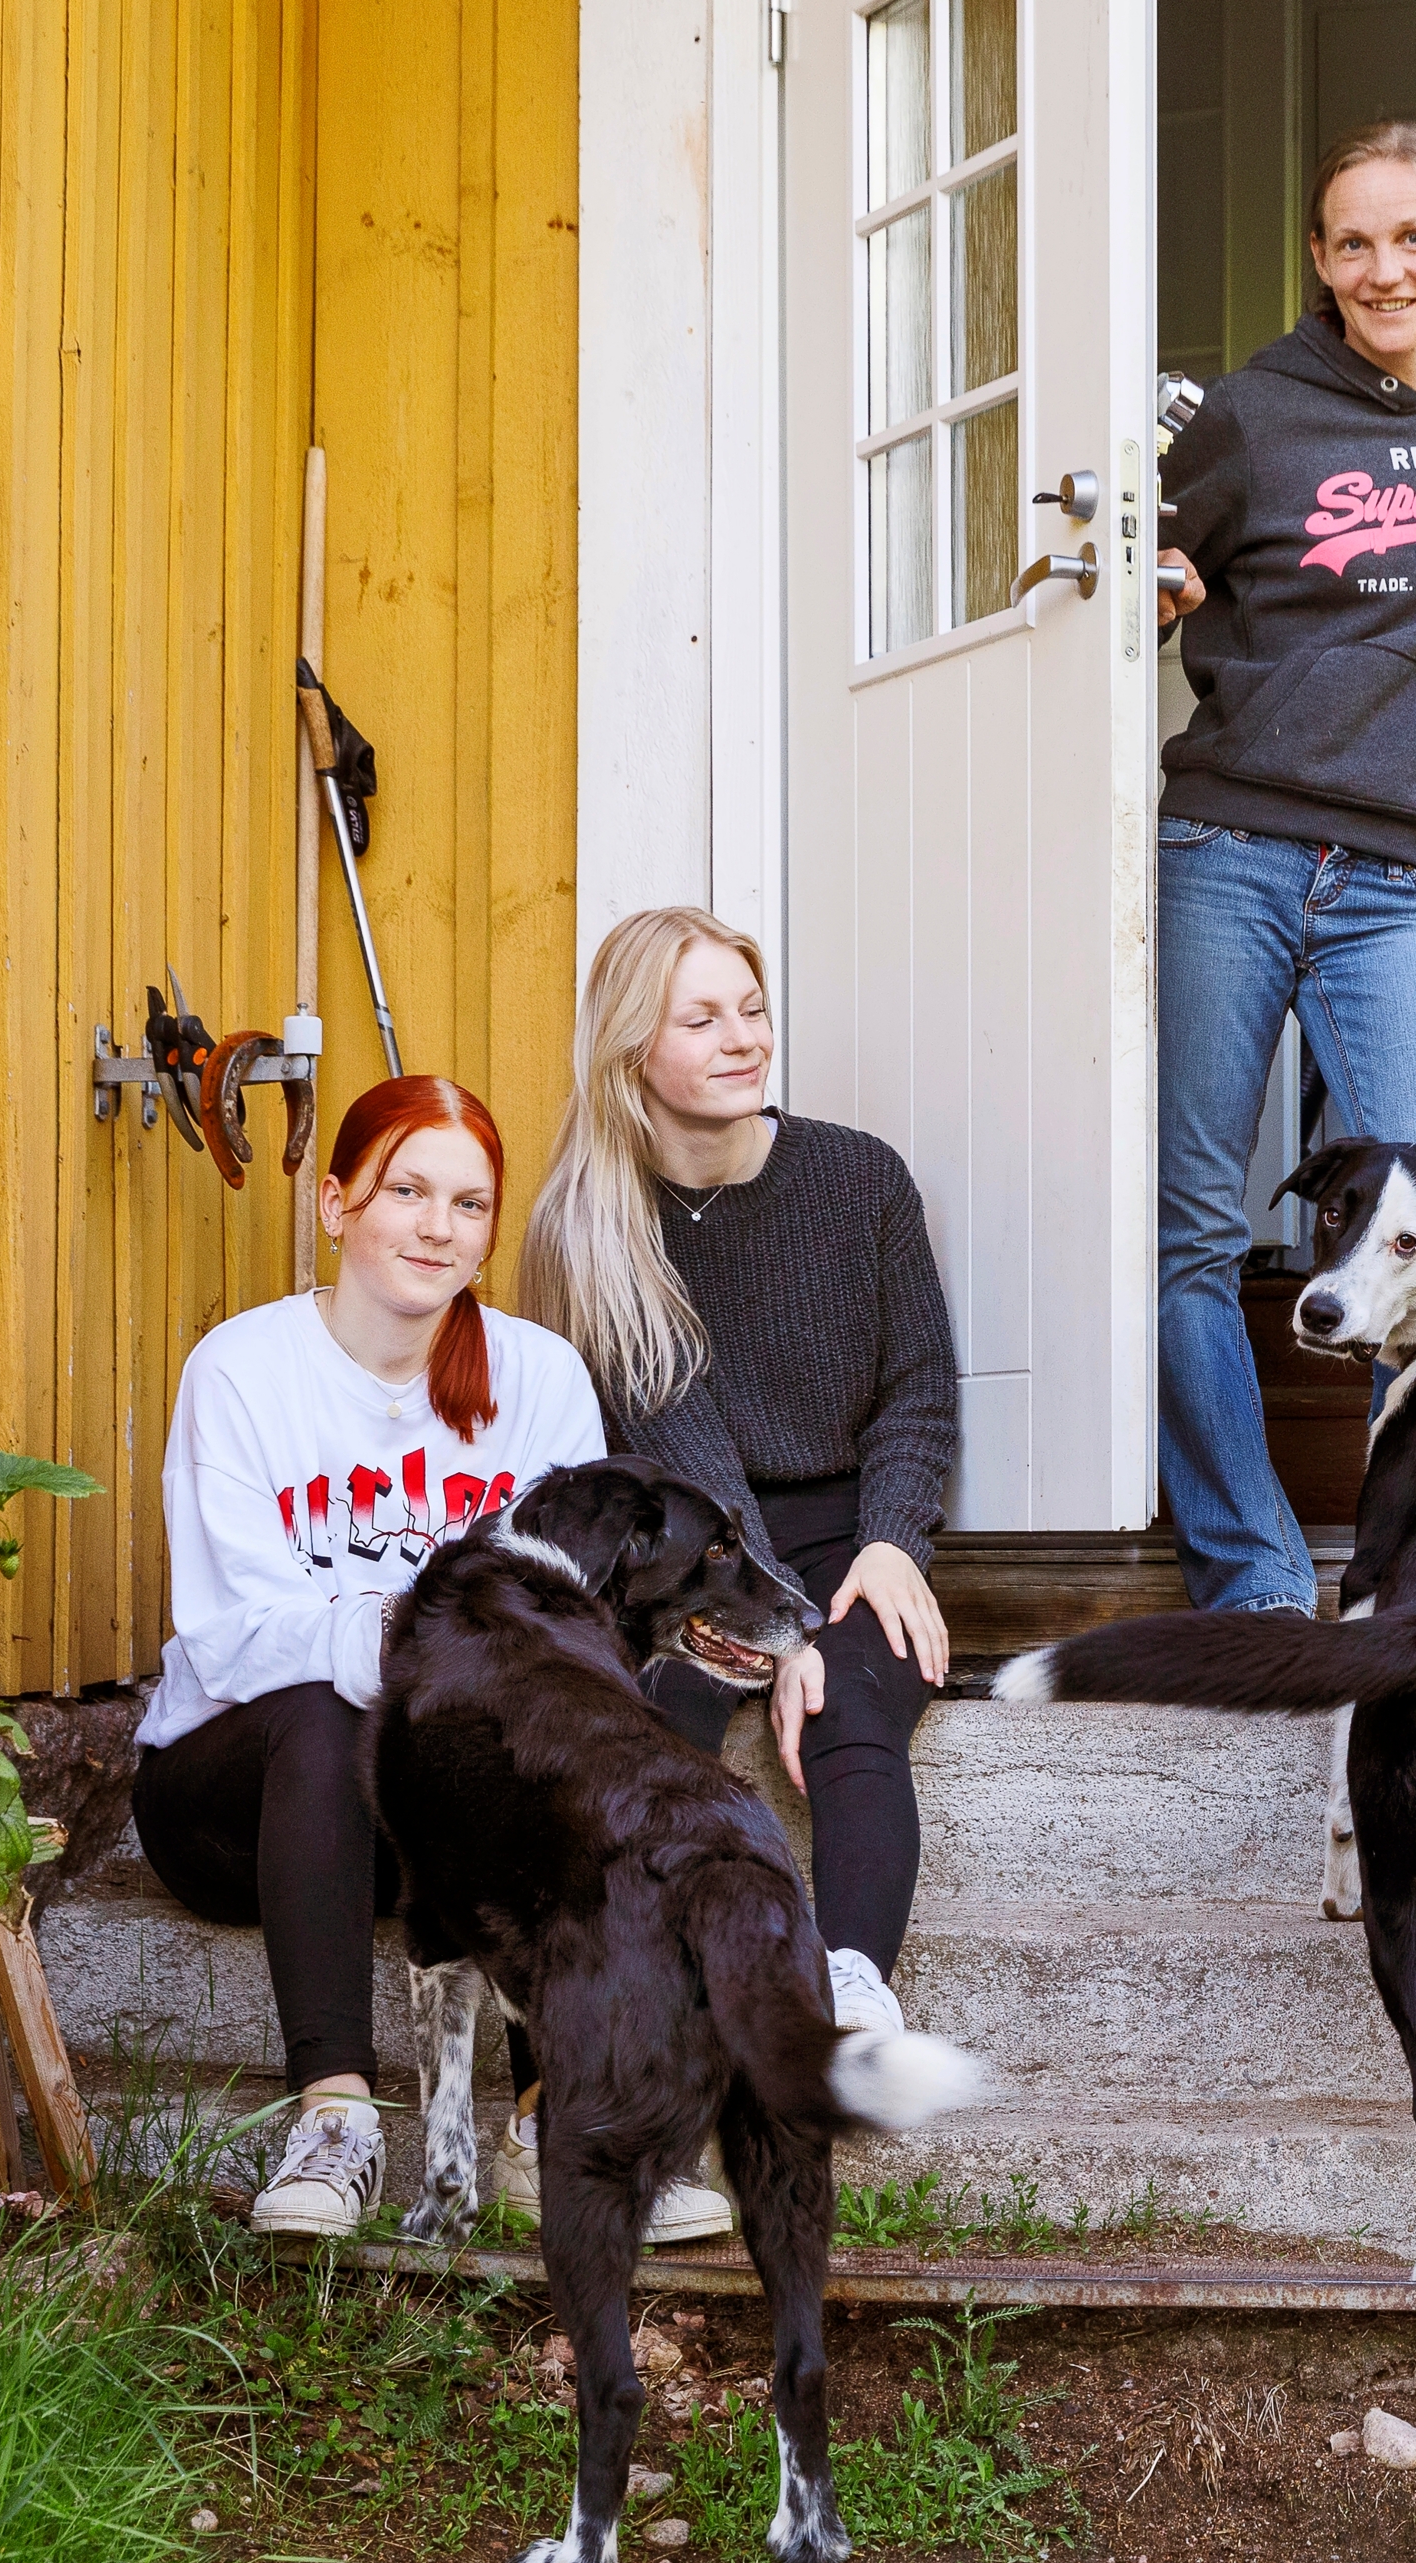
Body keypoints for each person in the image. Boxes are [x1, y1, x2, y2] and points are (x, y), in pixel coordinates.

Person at [133, 1075, 740, 2243]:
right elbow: (237, 1635)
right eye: (406, 1190)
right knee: (322, 1706)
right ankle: (338, 2123)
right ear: (336, 1202)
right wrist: (445, 1644)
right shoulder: (243, 1370)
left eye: (467, 1204)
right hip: (240, 1801)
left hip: (427, 1827)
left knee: (533, 1746)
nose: (435, 1225)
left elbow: (571, 1627)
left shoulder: (539, 1379)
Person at [1149, 118, 1416, 1611]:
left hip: (1404, 879)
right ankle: (1250, 1570)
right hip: (1233, 846)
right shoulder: (1252, 416)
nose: (1384, 266)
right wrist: (1159, 583)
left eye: (1410, 235)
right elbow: (1136, 559)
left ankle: (1398, 1570)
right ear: (1321, 262)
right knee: (1195, 1216)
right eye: (1353, 241)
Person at [518, 908, 960, 2046]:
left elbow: (918, 1388)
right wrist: (778, 1633)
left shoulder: (859, 1181)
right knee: (660, 1711)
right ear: (631, 1051)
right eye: (702, 1017)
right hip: (693, 1548)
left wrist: (892, 1545)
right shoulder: (594, 1226)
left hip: (849, 1527)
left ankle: (851, 1979)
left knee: (859, 1699)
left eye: (752, 1010)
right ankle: (646, 1986)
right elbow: (684, 1453)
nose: (742, 1038)